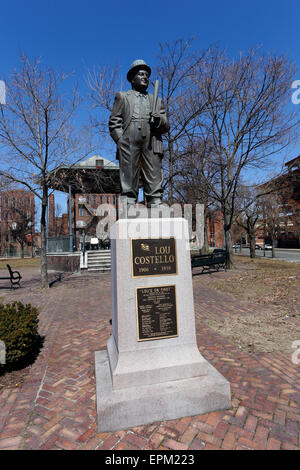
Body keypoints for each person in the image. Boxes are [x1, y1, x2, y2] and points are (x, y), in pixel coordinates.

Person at [109, 59, 169, 207]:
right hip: (129, 137)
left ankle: (155, 200)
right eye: (141, 74)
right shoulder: (122, 96)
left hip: (151, 139)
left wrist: (158, 121)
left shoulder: (156, 100)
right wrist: (120, 139)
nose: (145, 77)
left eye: (147, 75)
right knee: (129, 170)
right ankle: (129, 200)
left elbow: (166, 124)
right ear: (132, 78)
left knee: (153, 169)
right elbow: (114, 121)